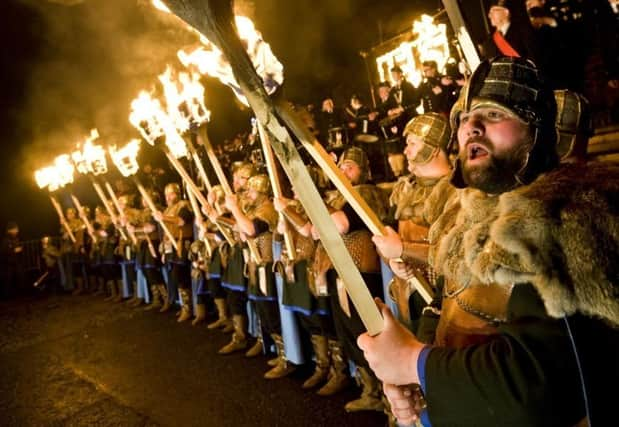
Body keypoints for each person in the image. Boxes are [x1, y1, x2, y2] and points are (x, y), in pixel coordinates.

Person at [359, 56, 619, 426]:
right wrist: (415, 372)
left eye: (495, 114)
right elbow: (445, 301)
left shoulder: (570, 219)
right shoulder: (470, 214)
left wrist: (414, 362)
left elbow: (537, 390)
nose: (472, 127)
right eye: (465, 118)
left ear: (538, 131)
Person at [0, 221, 24, 299]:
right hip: (9, 263)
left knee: (19, 277)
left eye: (17, 229)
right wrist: (14, 250)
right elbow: (4, 251)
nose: (17, 231)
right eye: (15, 229)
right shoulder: (6, 240)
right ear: (10, 230)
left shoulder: (16, 239)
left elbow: (19, 246)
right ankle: (6, 295)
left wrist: (20, 249)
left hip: (17, 262)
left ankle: (21, 293)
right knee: (8, 279)